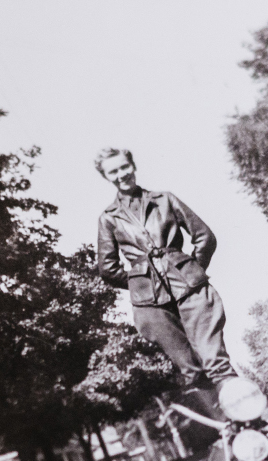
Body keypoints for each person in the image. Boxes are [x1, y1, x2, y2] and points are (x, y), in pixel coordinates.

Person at [93, 147, 236, 397]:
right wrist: (141, 283)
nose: (121, 174)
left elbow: (204, 237)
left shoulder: (164, 199)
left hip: (190, 289)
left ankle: (249, 415)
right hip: (149, 304)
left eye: (124, 167)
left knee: (216, 361)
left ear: (133, 166)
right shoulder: (108, 218)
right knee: (190, 370)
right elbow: (108, 268)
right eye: (113, 171)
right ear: (106, 177)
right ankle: (219, 418)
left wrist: (189, 270)